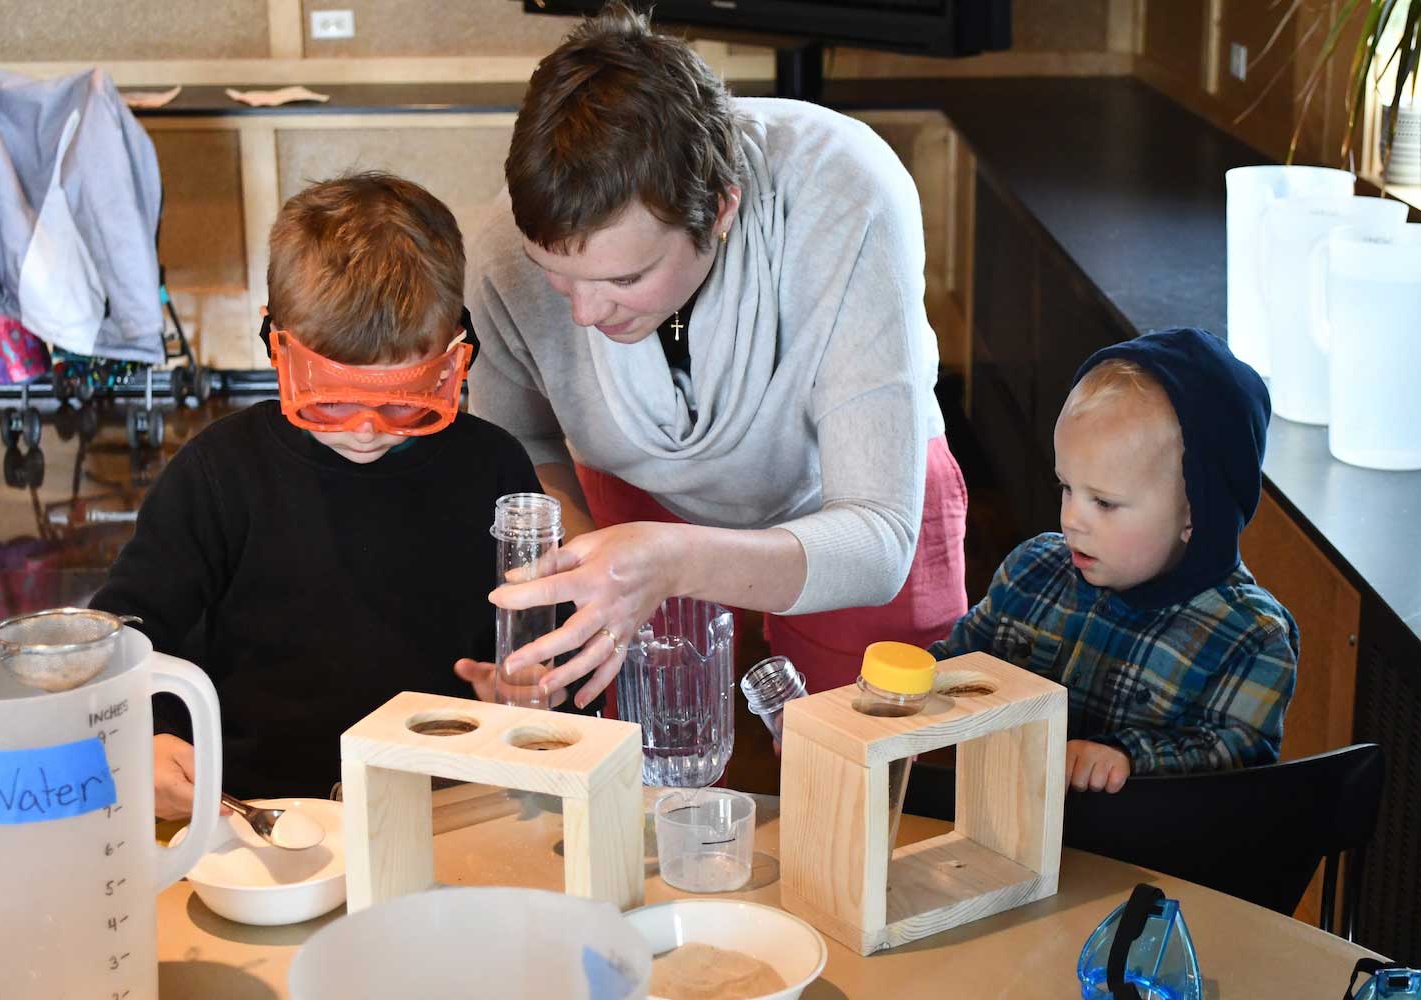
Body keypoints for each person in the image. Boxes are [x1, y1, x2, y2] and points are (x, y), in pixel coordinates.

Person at [456, 3, 968, 710]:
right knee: (651, 769)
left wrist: (669, 561)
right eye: (556, 273)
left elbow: (878, 541)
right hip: (631, 506)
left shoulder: (848, 193)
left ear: (721, 208)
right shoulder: (496, 251)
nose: (583, 313)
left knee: (866, 765)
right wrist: (586, 576)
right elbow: (521, 442)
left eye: (625, 279)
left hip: (849, 497)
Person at [92, 173, 546, 817]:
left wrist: (537, 695)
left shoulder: (494, 471)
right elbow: (124, 638)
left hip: (449, 807)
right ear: (276, 345)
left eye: (401, 398)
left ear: (453, 352)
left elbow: (551, 655)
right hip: (251, 811)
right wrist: (145, 738)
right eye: (330, 398)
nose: (365, 428)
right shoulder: (218, 475)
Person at [930, 327, 1298, 793]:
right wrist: (917, 683)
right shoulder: (1032, 573)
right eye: (1067, 488)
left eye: (1103, 503)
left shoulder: (1250, 637)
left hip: (1139, 856)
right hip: (1002, 827)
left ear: (1195, 515)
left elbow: (1233, 752)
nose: (1071, 521)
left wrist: (1125, 757)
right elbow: (961, 660)